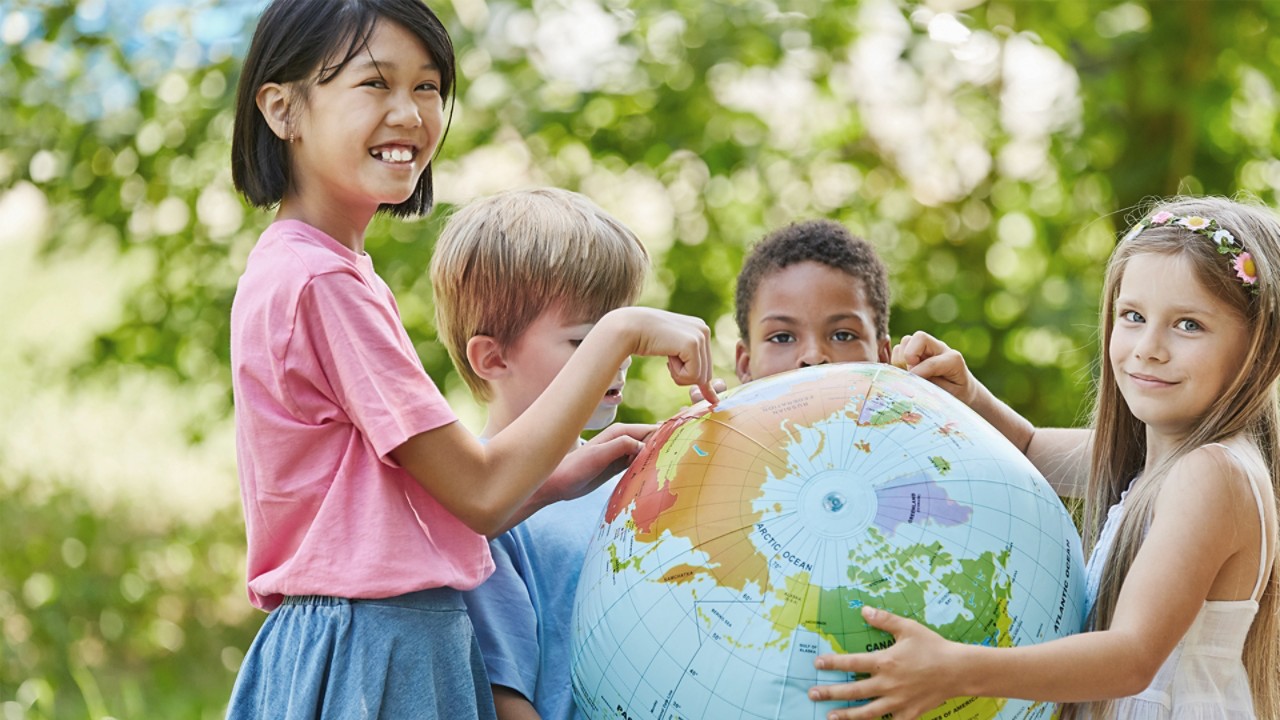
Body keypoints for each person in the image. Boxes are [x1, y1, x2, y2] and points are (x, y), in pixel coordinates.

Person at [224, 2, 717, 717]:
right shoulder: (320, 282)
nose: (410, 114)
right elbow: (479, 490)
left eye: (427, 87)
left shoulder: (324, 269)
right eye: (375, 84)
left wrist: (560, 476)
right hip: (374, 649)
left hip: (379, 639)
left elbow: (427, 506)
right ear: (282, 108)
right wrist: (621, 333)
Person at [809, 196, 1280, 720]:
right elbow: (1031, 449)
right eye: (1133, 316)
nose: (1149, 347)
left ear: (1259, 350)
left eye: (1188, 324)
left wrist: (955, 668)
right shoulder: (1162, 462)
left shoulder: (1211, 474)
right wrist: (971, 396)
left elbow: (1131, 656)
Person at [431, 187, 650, 720]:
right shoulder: (484, 509)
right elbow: (504, 695)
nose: (615, 360)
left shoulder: (634, 477)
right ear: (493, 357)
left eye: (619, 335)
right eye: (587, 342)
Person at [733, 218, 892, 384]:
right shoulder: (709, 410)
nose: (813, 357)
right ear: (745, 365)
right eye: (782, 338)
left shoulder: (915, 405)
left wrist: (920, 396)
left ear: (883, 359)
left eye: (843, 336)